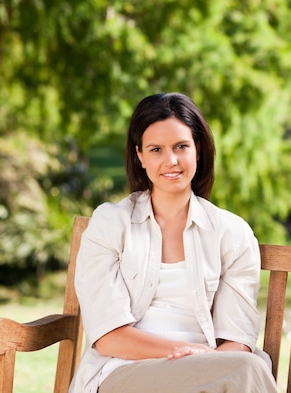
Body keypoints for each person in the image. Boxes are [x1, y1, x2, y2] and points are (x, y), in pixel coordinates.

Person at [69, 93, 277, 393]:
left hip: (210, 372)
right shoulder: (111, 224)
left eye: (181, 146)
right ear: (139, 156)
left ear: (199, 150)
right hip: (124, 370)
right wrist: (190, 353)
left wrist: (204, 362)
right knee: (248, 370)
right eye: (156, 149)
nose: (171, 160)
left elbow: (237, 338)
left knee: (246, 367)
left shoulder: (232, 233)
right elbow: (109, 337)